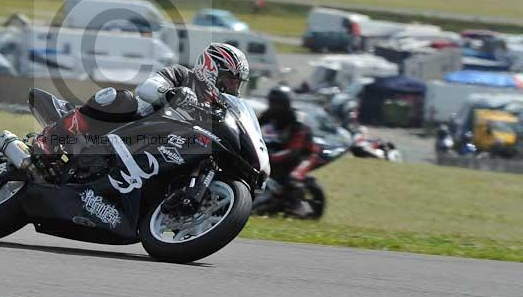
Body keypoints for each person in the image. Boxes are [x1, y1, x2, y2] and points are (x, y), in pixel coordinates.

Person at [36, 43, 250, 154]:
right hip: (135, 125)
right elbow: (147, 88)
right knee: (120, 98)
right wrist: (170, 94)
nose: (233, 87)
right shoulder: (182, 75)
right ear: (210, 69)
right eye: (230, 80)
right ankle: (51, 137)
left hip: (166, 147)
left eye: (237, 82)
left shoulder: (219, 107)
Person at [258, 85, 321, 217]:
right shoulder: (268, 114)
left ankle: (299, 206)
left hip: (305, 155)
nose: (273, 106)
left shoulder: (298, 121)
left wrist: (268, 157)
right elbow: (254, 127)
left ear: (286, 103)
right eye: (271, 102)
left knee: (293, 177)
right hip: (281, 149)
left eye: (277, 103)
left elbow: (294, 150)